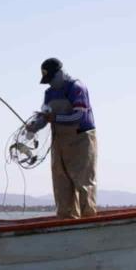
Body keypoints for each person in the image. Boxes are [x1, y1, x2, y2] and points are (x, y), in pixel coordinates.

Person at [25, 58, 97, 218]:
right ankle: (66, 220)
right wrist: (34, 126)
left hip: (81, 139)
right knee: (61, 183)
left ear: (60, 73)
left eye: (51, 79)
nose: (50, 83)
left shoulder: (76, 87)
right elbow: (45, 115)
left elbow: (79, 115)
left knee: (83, 182)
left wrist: (54, 118)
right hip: (59, 141)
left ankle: (89, 218)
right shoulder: (49, 93)